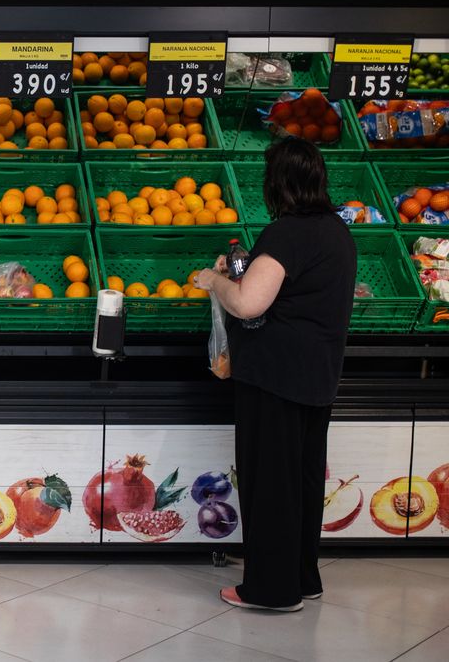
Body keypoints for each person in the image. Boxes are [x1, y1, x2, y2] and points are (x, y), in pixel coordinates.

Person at [194, 138, 356, 612]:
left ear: (277, 184)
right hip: (317, 377)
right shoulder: (336, 232)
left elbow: (249, 304)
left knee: (270, 484)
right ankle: (303, 577)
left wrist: (216, 281)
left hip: (275, 378)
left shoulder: (286, 233)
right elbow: (294, 293)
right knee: (302, 483)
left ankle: (270, 589)